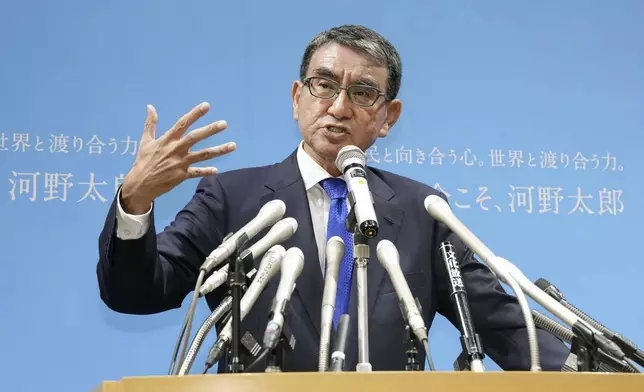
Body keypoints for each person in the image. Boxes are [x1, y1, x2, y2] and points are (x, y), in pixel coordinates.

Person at [97, 24, 569, 372]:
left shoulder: (422, 211)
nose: (338, 107)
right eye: (324, 85)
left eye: (363, 93)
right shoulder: (232, 198)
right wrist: (135, 200)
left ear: (388, 117)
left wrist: (596, 374)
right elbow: (134, 292)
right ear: (298, 97)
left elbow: (503, 326)